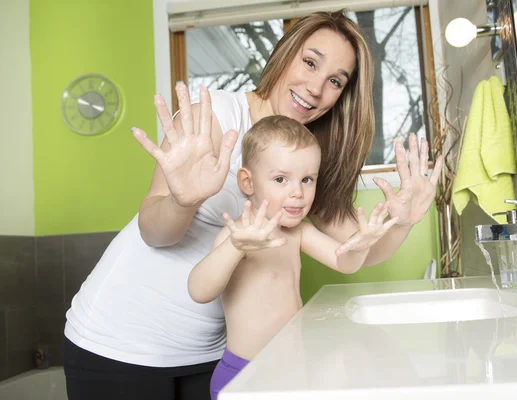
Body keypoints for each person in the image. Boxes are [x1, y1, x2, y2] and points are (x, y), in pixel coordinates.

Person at [63, 9, 443, 400]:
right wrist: (183, 200)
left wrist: (404, 221)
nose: (316, 87)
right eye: (310, 62)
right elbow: (154, 233)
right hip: (117, 341)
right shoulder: (216, 119)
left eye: (334, 81)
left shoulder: (304, 160)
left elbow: (355, 248)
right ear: (285, 54)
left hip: (211, 352)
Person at [186, 115, 399, 399]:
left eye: (307, 179)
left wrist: (361, 244)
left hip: (291, 371)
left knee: (352, 356)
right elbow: (199, 291)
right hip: (247, 375)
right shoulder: (238, 235)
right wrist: (235, 246)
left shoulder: (298, 232)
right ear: (247, 182)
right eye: (280, 179)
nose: (297, 192)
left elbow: (343, 262)